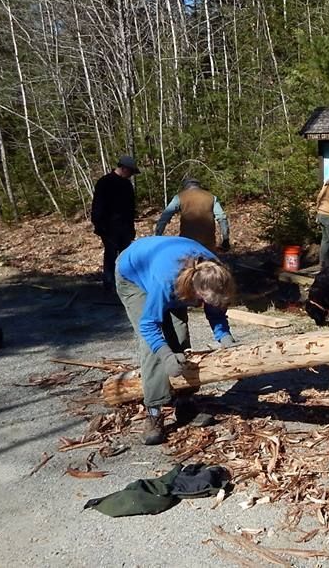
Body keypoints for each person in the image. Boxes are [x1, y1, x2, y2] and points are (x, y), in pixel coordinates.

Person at [115, 236, 237, 445]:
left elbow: (215, 310)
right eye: (203, 300)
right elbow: (148, 325)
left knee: (180, 337)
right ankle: (154, 412)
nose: (204, 305)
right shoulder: (165, 281)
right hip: (133, 275)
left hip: (168, 267)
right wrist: (165, 355)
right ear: (196, 291)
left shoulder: (214, 273)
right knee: (152, 348)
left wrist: (225, 337)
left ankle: (185, 403)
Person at [91, 155, 138, 290]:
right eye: (131, 172)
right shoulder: (105, 182)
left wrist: (131, 227)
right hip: (109, 227)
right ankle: (109, 284)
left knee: (125, 256)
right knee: (111, 255)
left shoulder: (127, 185)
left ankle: (125, 284)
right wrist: (98, 224)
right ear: (123, 168)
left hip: (125, 227)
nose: (131, 175)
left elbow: (130, 208)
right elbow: (97, 205)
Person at [155, 178, 230, 252]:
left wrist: (157, 236)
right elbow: (222, 218)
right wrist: (225, 239)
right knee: (209, 263)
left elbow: (165, 216)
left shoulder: (180, 197)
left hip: (187, 241)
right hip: (208, 242)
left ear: (186, 186)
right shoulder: (211, 197)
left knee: (187, 262)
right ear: (198, 186)